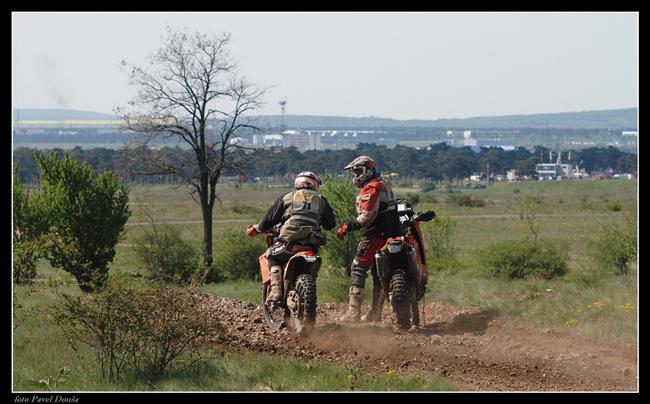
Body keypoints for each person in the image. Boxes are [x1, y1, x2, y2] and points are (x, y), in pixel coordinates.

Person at [247, 171, 336, 303]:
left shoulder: (288, 197)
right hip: (312, 244)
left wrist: (256, 229)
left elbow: (270, 219)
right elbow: (330, 224)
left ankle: (276, 290)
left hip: (290, 242)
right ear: (315, 184)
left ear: (298, 183)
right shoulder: (321, 200)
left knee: (271, 255)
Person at [336, 156, 402, 322]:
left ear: (369, 170)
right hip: (392, 234)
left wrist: (347, 227)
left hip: (375, 235)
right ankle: (375, 312)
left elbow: (366, 217)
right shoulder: (384, 183)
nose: (356, 175)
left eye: (359, 171)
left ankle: (353, 312)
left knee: (358, 267)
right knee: (378, 272)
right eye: (354, 172)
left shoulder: (371, 188)